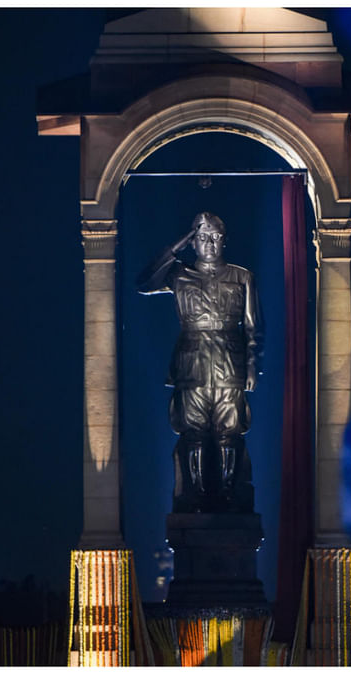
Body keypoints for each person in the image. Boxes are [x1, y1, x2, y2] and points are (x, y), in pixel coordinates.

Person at [138, 212, 264, 513]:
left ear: (225, 241)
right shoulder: (179, 274)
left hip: (229, 360)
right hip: (191, 360)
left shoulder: (241, 276)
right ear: (193, 243)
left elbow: (254, 326)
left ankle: (230, 497)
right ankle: (193, 496)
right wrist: (177, 245)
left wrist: (251, 365)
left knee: (230, 432)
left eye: (216, 237)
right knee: (192, 431)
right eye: (203, 237)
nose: (210, 243)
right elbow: (144, 282)